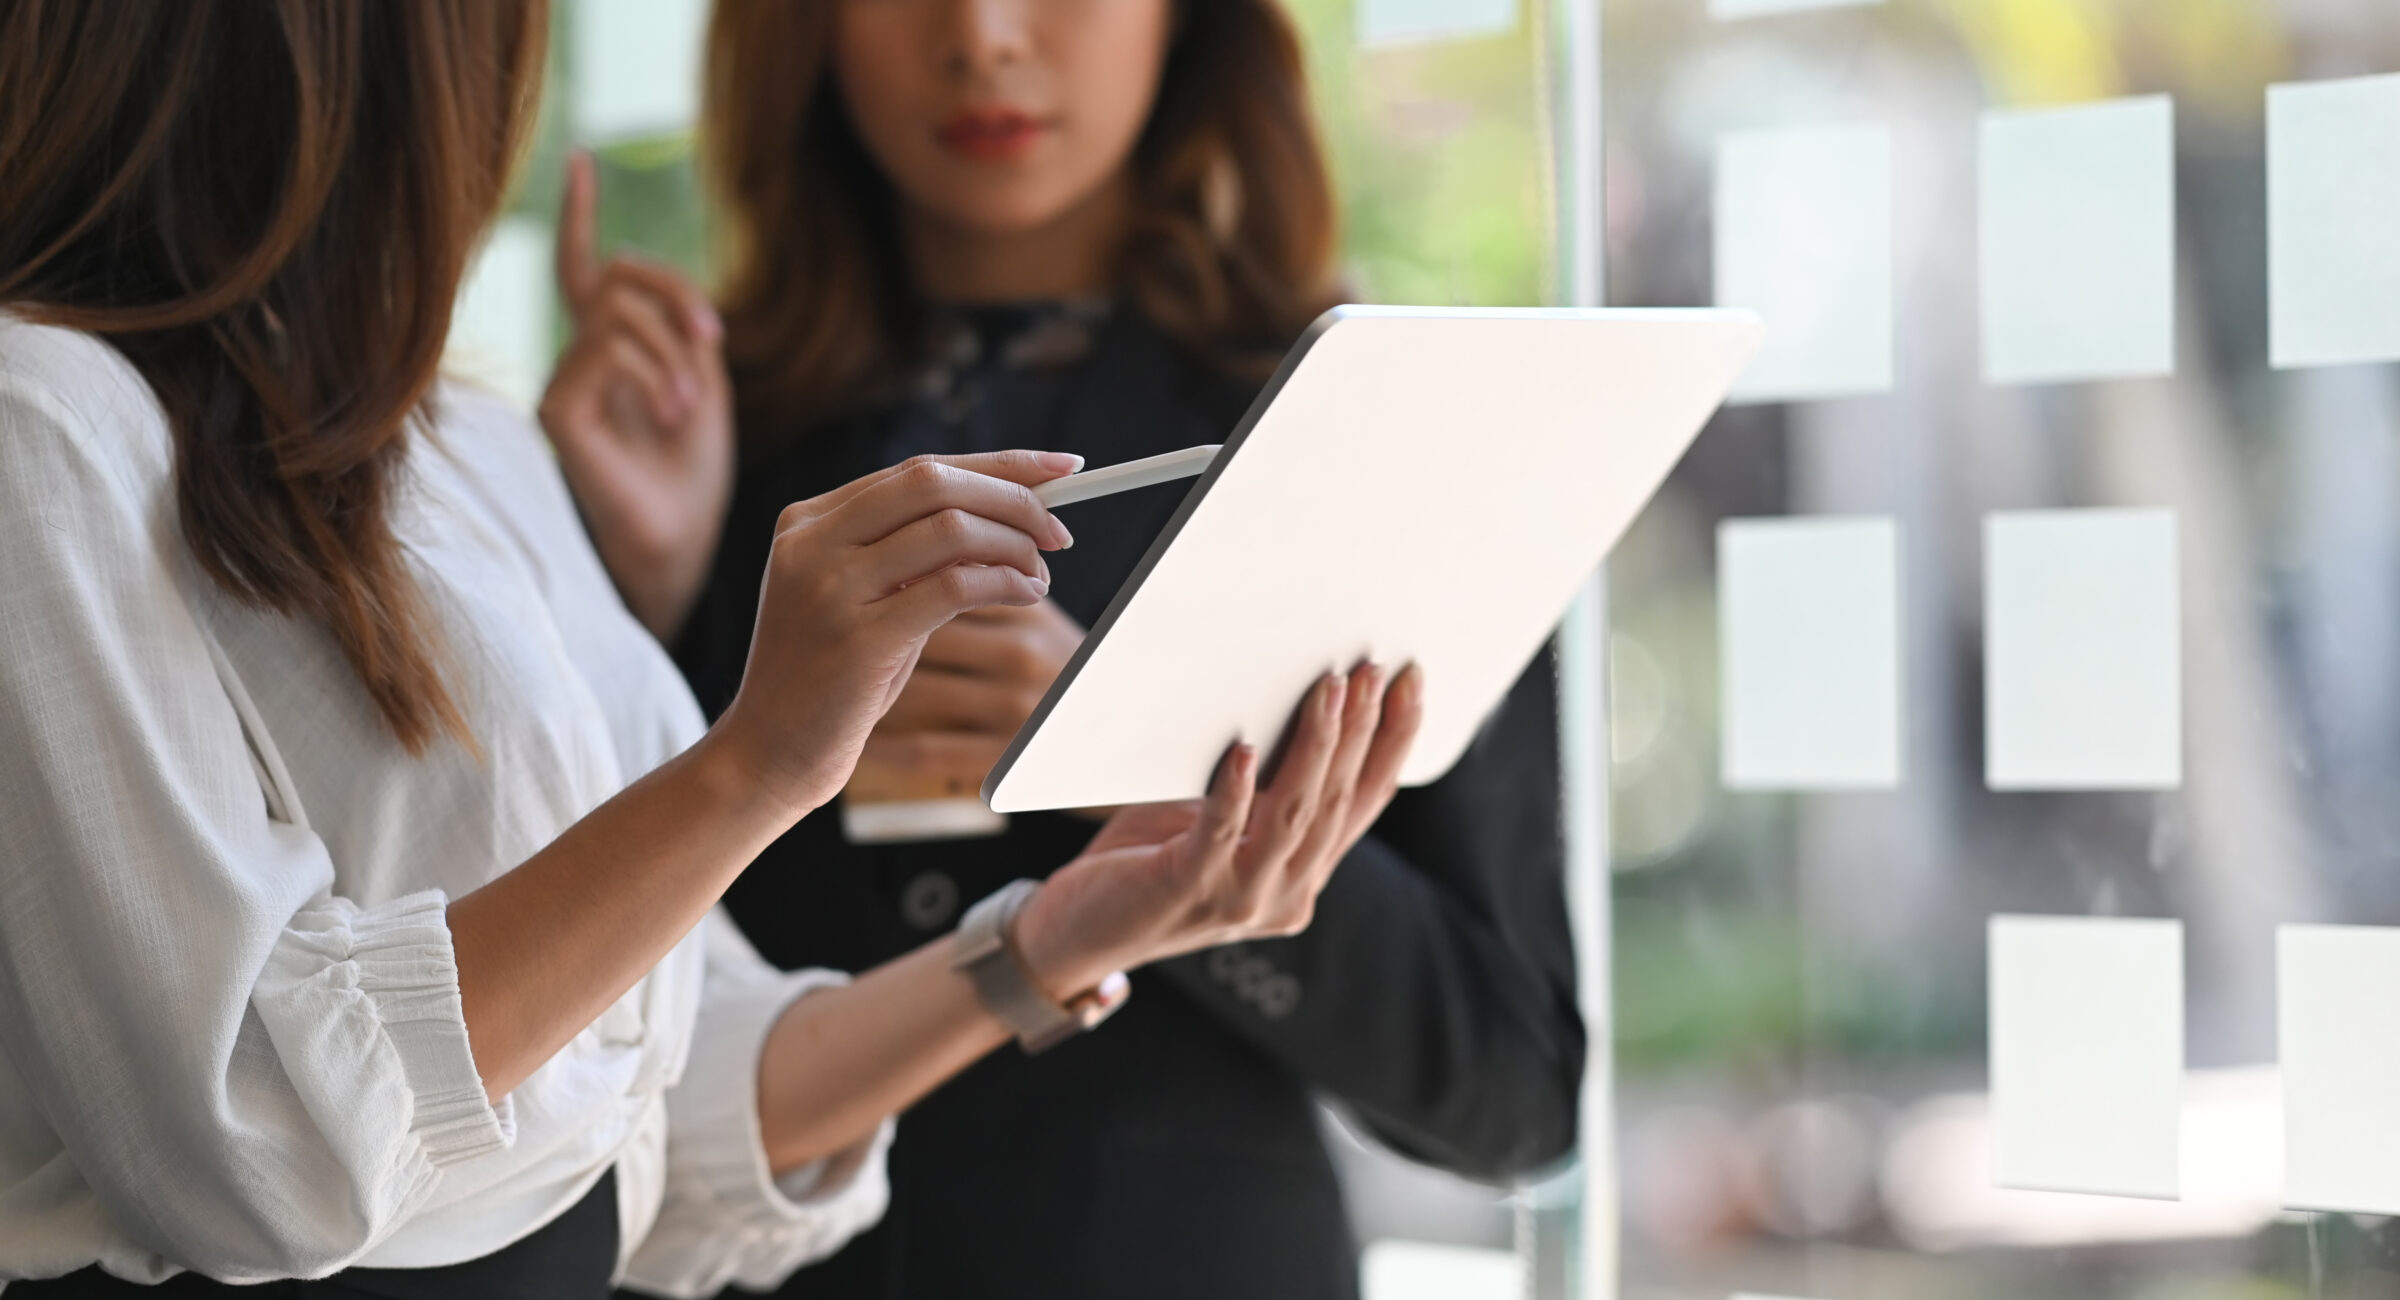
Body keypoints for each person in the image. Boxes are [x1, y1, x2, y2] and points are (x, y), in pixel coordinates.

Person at [0, 2, 1419, 1295]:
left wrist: (1053, 942)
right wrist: (755, 762)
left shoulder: (473, 441)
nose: (984, 36)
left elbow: (653, 1096)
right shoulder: (44, 422)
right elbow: (249, 1139)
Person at [541, 2, 1585, 1296]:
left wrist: (1129, 763)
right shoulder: (684, 444)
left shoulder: (1361, 431)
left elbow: (1512, 1087)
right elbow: (570, 1029)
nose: (981, 36)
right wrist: (652, 602)